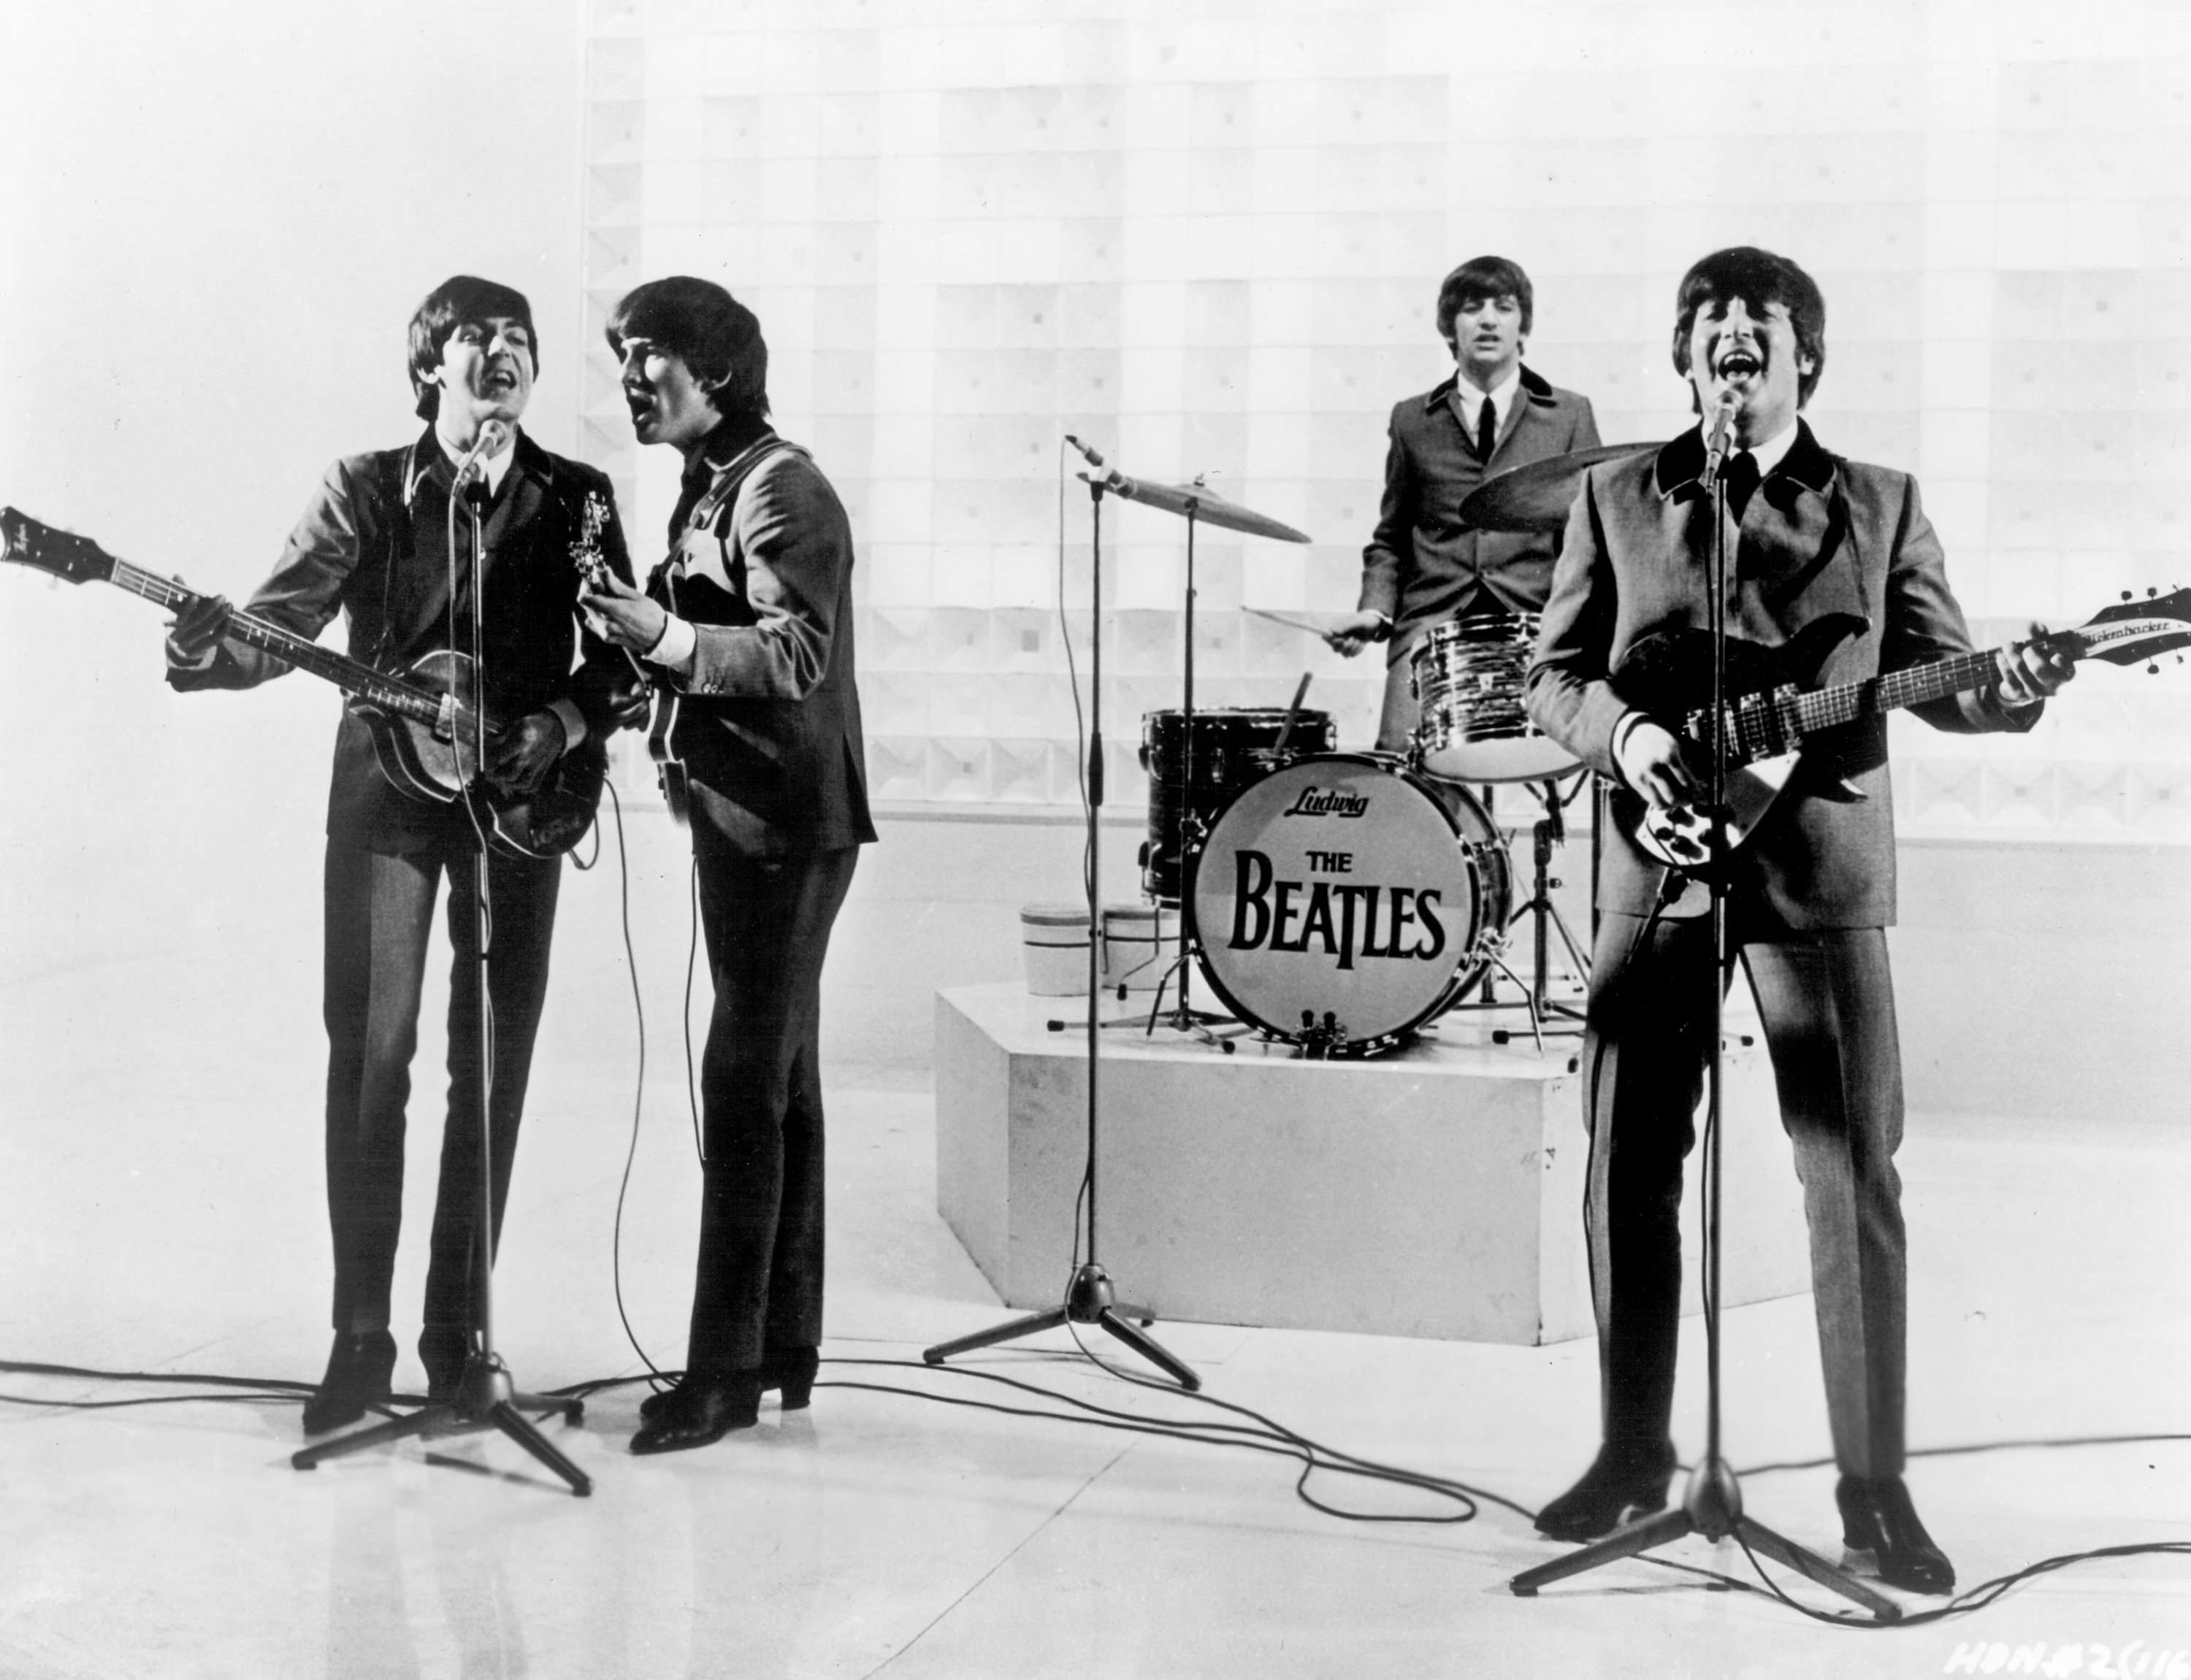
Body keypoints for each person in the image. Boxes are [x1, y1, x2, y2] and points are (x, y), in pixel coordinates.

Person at [1524, 248, 2075, 1592]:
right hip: (1656, 871)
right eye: (1709, 321)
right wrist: (1634, 732)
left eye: (1759, 323)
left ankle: (1874, 1491)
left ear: (1803, 358)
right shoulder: (1614, 495)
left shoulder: (1879, 507)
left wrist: (2019, 679)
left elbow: (1949, 683)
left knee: (1850, 1182)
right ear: (1684, 356)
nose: (1732, 339)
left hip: (1817, 877)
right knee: (1624, 1163)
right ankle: (1630, 1452)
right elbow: (1552, 677)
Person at [166, 275, 641, 1432]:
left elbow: (625, 661)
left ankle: (458, 1336)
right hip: (386, 801)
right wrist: (208, 649)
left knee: (493, 1068)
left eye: (522, 340)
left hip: (522, 806)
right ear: (431, 363)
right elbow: (277, 626)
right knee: (373, 1058)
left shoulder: (576, 496)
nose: (507, 355)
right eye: (480, 336)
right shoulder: (366, 489)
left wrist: (564, 725)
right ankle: (360, 1340)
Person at [578, 276, 875, 1455]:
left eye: (648, 356)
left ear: (718, 367)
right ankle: (776, 1354)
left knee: (744, 1084)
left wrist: (662, 637)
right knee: (779, 1081)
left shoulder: (782, 487)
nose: (632, 381)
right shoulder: (714, 485)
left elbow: (796, 652)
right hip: (747, 818)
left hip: (787, 830)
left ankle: (720, 1374)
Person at [1327, 255, 1600, 750]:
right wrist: (1374, 612)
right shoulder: (1412, 420)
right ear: (1450, 327)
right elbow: (1391, 539)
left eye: (1504, 306)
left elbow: (1589, 539)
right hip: (1435, 621)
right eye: (1473, 308)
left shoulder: (1569, 415)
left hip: (1535, 622)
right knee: (1403, 765)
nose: (1490, 319)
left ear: (1524, 325)